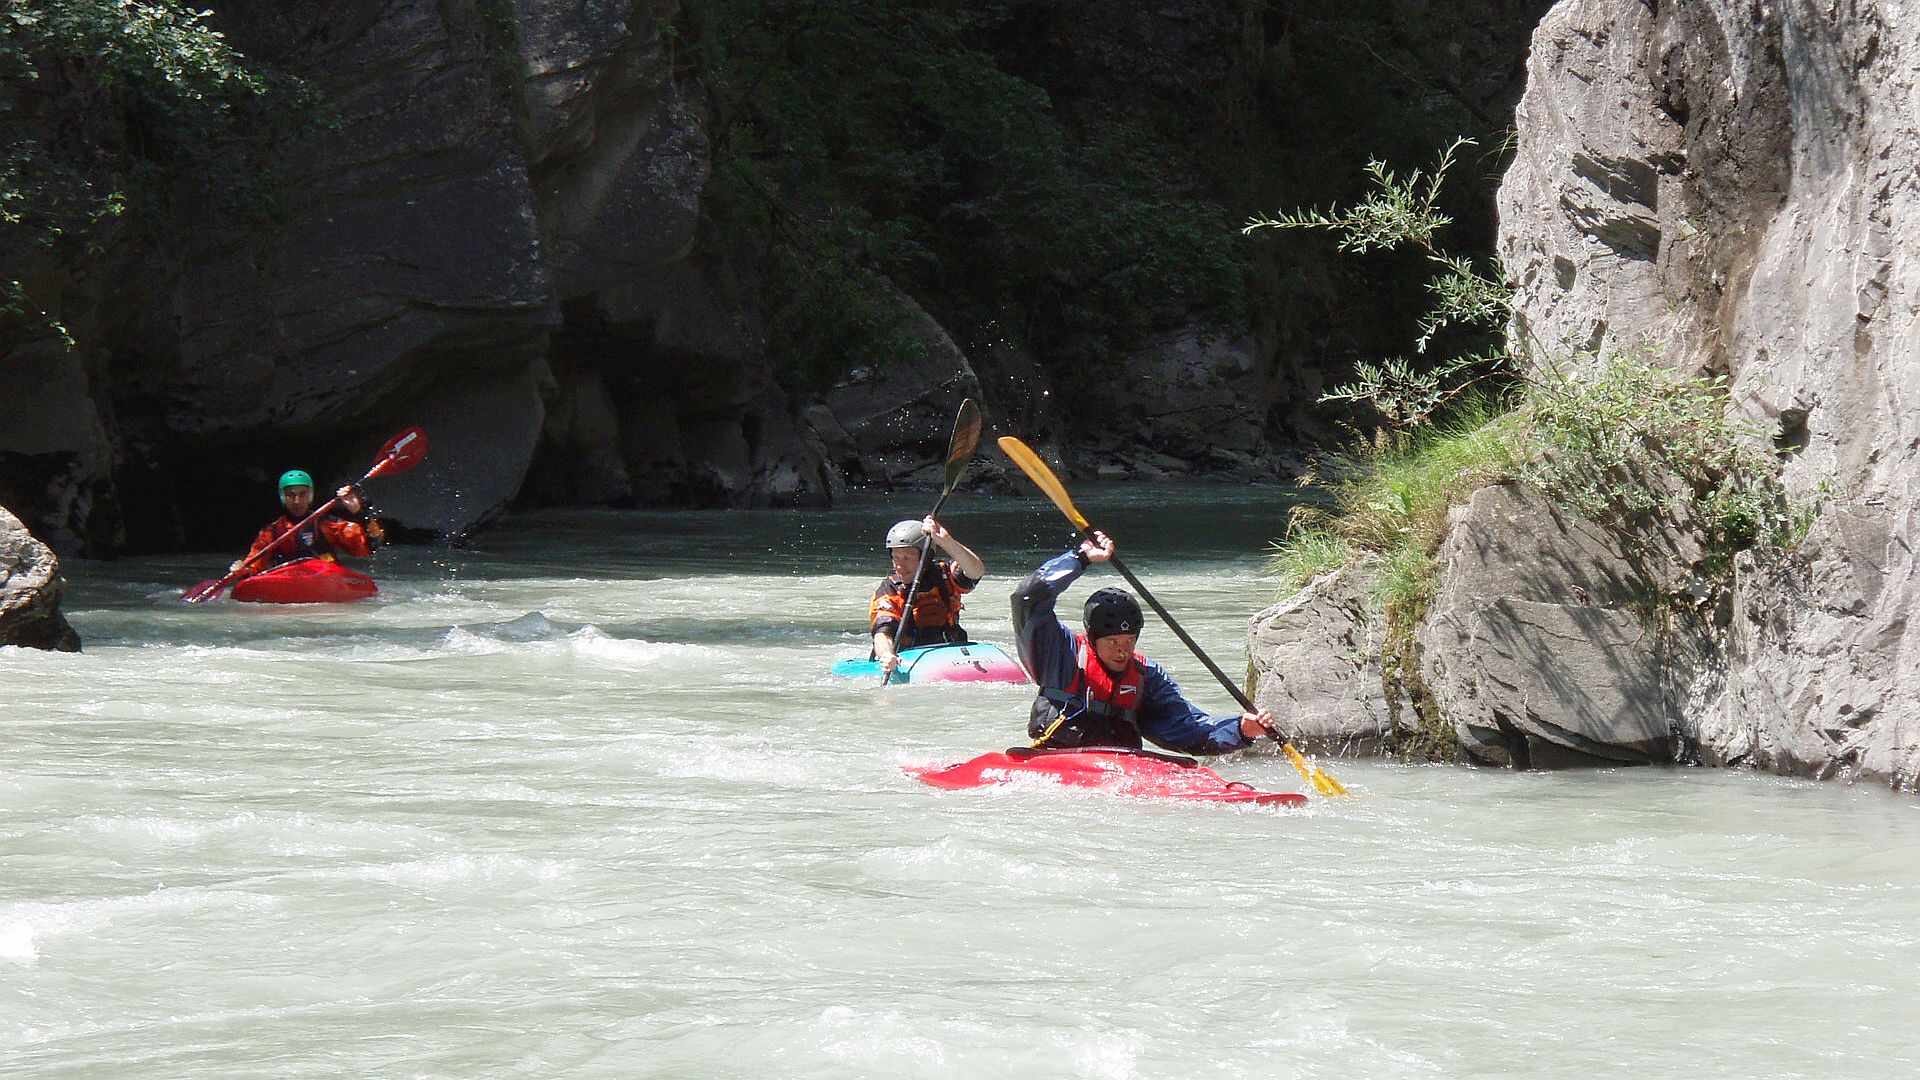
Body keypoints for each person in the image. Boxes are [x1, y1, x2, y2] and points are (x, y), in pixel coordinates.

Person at [1011, 531, 1277, 755]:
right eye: (1112, 640)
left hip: (1124, 767)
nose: (1122, 649)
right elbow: (1027, 599)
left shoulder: (1146, 676)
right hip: (1057, 758)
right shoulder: (1061, 656)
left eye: (1129, 640)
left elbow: (1186, 729)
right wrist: (1081, 558)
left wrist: (1241, 730)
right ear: (1092, 637)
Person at [869, 516, 987, 680]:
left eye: (907, 558)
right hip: (909, 656)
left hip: (950, 651)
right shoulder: (889, 589)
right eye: (896, 558)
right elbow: (882, 633)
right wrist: (887, 655)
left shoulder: (945, 575)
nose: (900, 566)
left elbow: (976, 571)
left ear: (926, 557)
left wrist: (946, 541)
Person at [230, 469, 382, 577]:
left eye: (302, 494)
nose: (297, 501)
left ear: (310, 496)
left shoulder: (326, 525)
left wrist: (359, 513)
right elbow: (252, 566)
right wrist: (242, 570)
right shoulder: (272, 532)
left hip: (325, 580)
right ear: (283, 497)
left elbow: (370, 545)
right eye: (291, 495)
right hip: (287, 582)